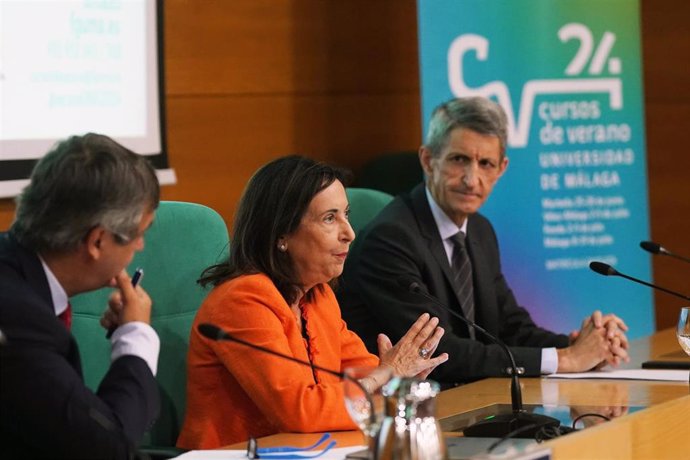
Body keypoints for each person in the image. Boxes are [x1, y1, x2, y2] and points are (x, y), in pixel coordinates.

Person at [337, 97, 629, 386]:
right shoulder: (391, 238)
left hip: (473, 397)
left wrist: (585, 346)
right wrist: (565, 359)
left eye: (485, 163)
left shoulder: (479, 229)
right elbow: (437, 352)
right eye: (459, 159)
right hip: (415, 408)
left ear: (501, 169)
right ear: (428, 160)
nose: (471, 179)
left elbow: (510, 326)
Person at [177, 155, 449, 449]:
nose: (350, 233)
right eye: (329, 218)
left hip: (305, 450)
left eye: (346, 214)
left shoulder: (318, 296)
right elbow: (301, 412)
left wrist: (398, 381)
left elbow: (365, 377)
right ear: (282, 234)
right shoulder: (243, 301)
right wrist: (387, 374)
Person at [0, 133, 161, 459]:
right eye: (140, 234)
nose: (140, 246)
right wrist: (136, 338)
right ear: (98, 241)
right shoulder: (21, 320)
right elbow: (106, 449)